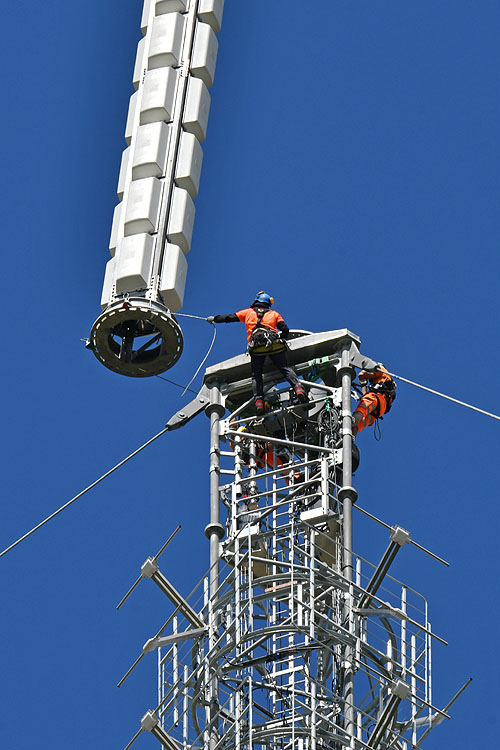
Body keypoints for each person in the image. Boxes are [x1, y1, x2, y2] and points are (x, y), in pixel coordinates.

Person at [208, 291, 307, 415]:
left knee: (257, 375)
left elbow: (229, 317)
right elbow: (284, 329)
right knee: (285, 368)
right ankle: (298, 389)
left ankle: (259, 402)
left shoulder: (248, 313)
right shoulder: (274, 314)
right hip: (273, 344)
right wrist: (283, 339)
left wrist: (214, 319)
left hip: (257, 347)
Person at [352, 366, 396, 436]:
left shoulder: (381, 370)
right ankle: (349, 440)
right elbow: (364, 394)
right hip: (380, 409)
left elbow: (361, 375)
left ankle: (347, 424)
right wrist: (364, 385)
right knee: (357, 426)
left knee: (360, 412)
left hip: (376, 397)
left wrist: (365, 373)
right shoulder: (387, 382)